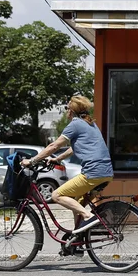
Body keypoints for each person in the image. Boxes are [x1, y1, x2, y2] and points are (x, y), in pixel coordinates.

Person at [22, 95, 114, 234]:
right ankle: (77, 240)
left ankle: (89, 217)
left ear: (71, 111)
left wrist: (32, 161)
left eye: (66, 108)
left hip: (92, 173)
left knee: (56, 195)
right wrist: (57, 159)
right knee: (77, 202)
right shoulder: (90, 124)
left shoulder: (75, 125)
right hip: (106, 173)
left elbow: (53, 145)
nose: (66, 111)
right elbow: (73, 148)